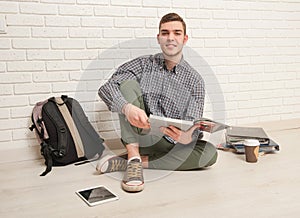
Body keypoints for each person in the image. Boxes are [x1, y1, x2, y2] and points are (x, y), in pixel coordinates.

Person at [97, 13, 218, 193]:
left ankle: (132, 162)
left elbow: (192, 126)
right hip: (139, 134)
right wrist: (127, 107)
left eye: (177, 33)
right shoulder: (143, 64)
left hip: (170, 143)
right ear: (159, 38)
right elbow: (107, 87)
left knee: (209, 153)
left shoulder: (195, 80)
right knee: (127, 84)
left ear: (184, 39)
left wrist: (187, 137)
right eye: (165, 32)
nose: (170, 38)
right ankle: (134, 154)